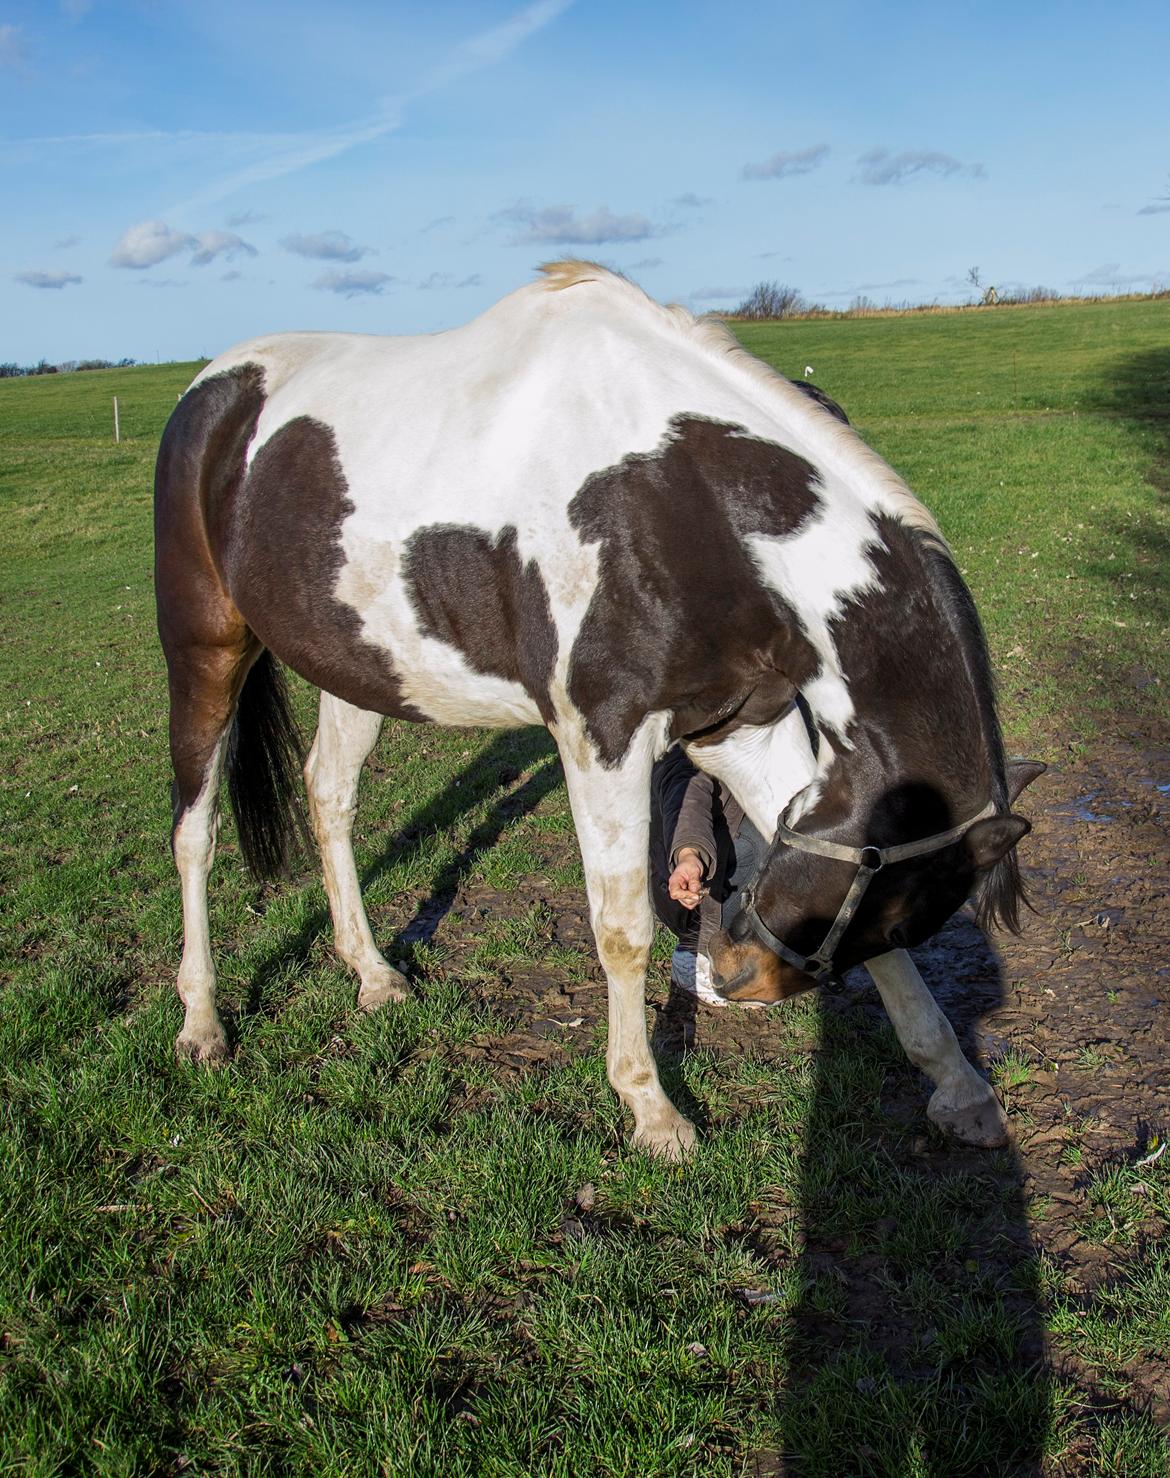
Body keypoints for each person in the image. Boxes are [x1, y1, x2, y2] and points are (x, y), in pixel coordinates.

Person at [650, 378, 851, 1006]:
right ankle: (707, 938)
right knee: (736, 838)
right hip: (706, 790)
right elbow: (698, 774)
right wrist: (690, 853)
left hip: (791, 771)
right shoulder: (714, 603)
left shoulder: (822, 578)